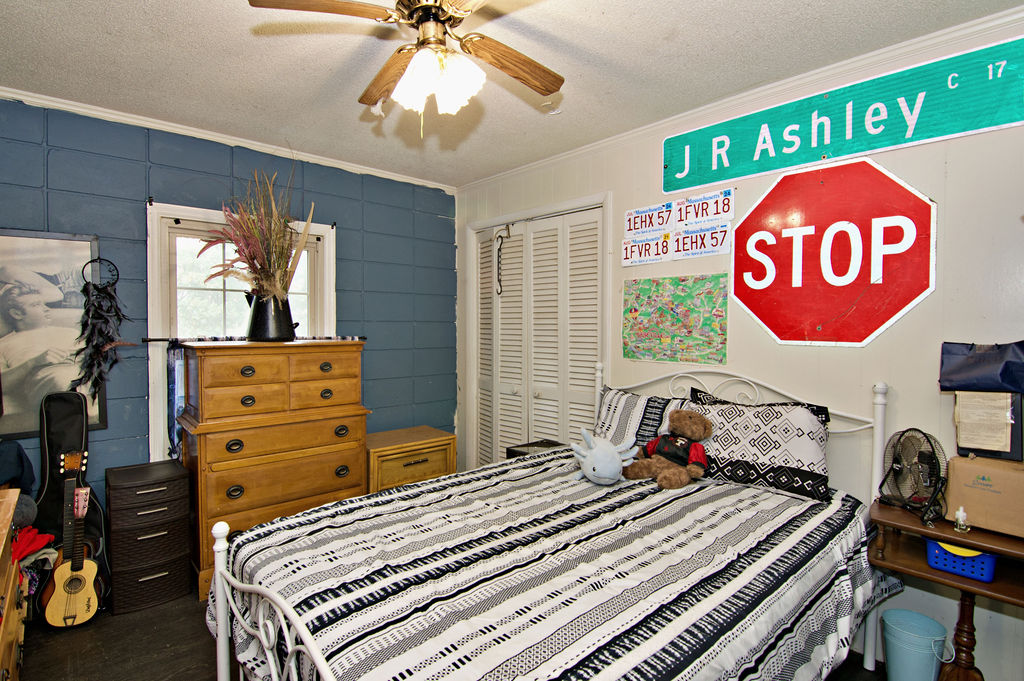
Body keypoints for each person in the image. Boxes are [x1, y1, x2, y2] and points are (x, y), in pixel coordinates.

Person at [0, 265, 80, 435]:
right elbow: (2, 384)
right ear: (16, 313)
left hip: (80, 370)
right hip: (48, 375)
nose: (47, 308)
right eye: (37, 304)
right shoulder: (5, 344)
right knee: (63, 381)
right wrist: (36, 362)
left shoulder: (72, 332)